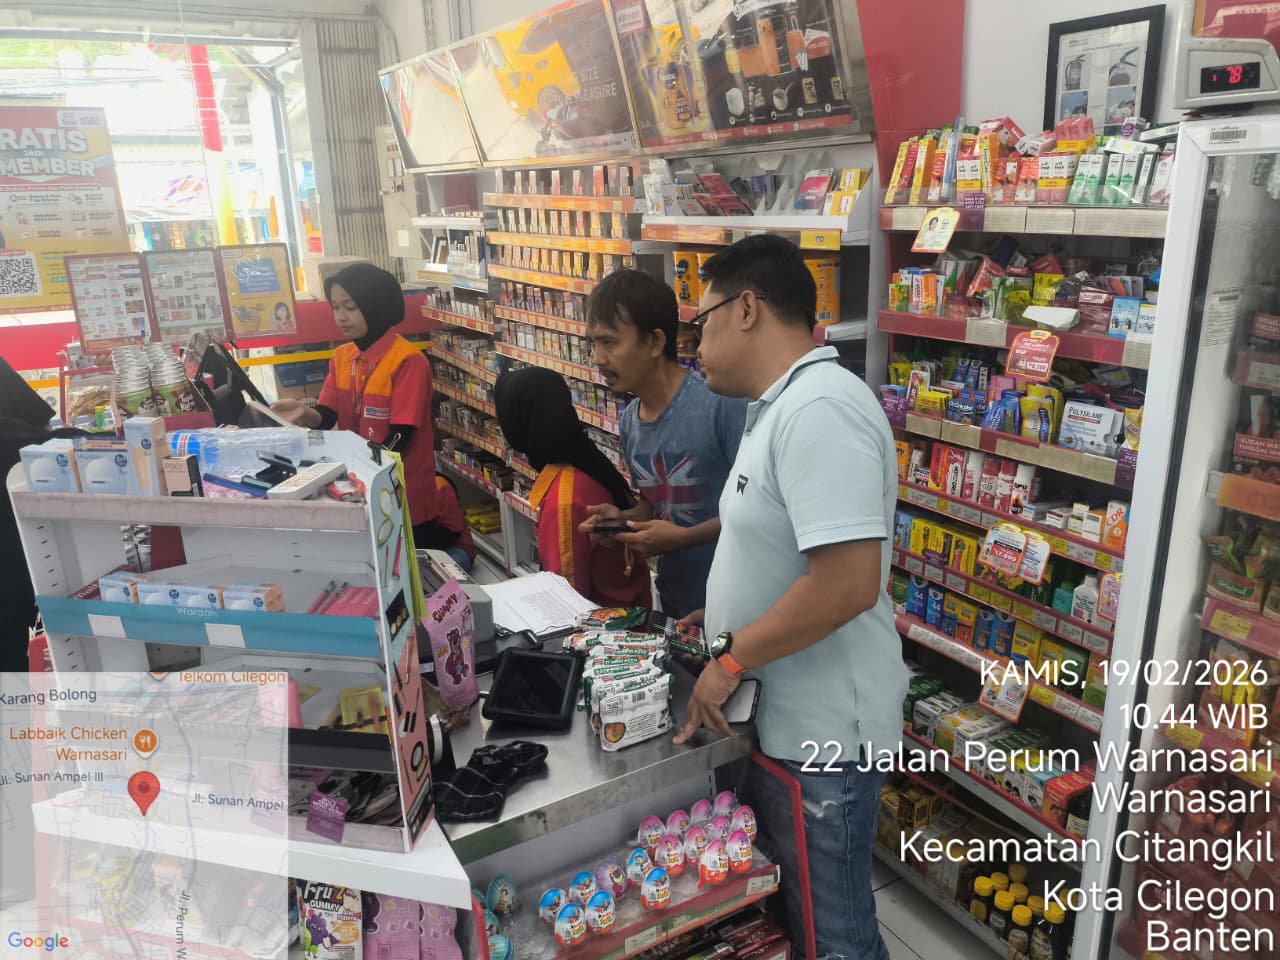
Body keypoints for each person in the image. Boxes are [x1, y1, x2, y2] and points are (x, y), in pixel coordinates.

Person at [674, 234, 908, 960]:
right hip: (789, 723)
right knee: (802, 921)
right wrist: (724, 617)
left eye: (701, 322)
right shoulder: (777, 407)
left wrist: (732, 657)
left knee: (835, 936)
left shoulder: (820, 410)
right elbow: (782, 545)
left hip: (826, 737)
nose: (695, 346)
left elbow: (846, 584)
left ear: (746, 309)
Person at [580, 269, 746, 619]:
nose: (597, 358)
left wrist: (684, 538)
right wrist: (623, 522)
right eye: (592, 343)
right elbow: (655, 505)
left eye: (609, 342)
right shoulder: (630, 421)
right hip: (677, 601)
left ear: (655, 342)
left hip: (735, 605)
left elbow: (759, 510)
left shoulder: (720, 405)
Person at [272, 262, 458, 551]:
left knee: (408, 567)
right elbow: (326, 416)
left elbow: (401, 436)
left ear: (375, 306)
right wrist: (303, 412)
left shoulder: (407, 361)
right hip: (361, 486)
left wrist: (361, 469)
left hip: (404, 493)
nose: (340, 316)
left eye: (350, 307)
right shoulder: (342, 357)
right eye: (335, 307)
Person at [494, 367, 649, 608]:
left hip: (607, 625)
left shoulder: (564, 500)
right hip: (631, 610)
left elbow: (568, 603)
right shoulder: (585, 459)